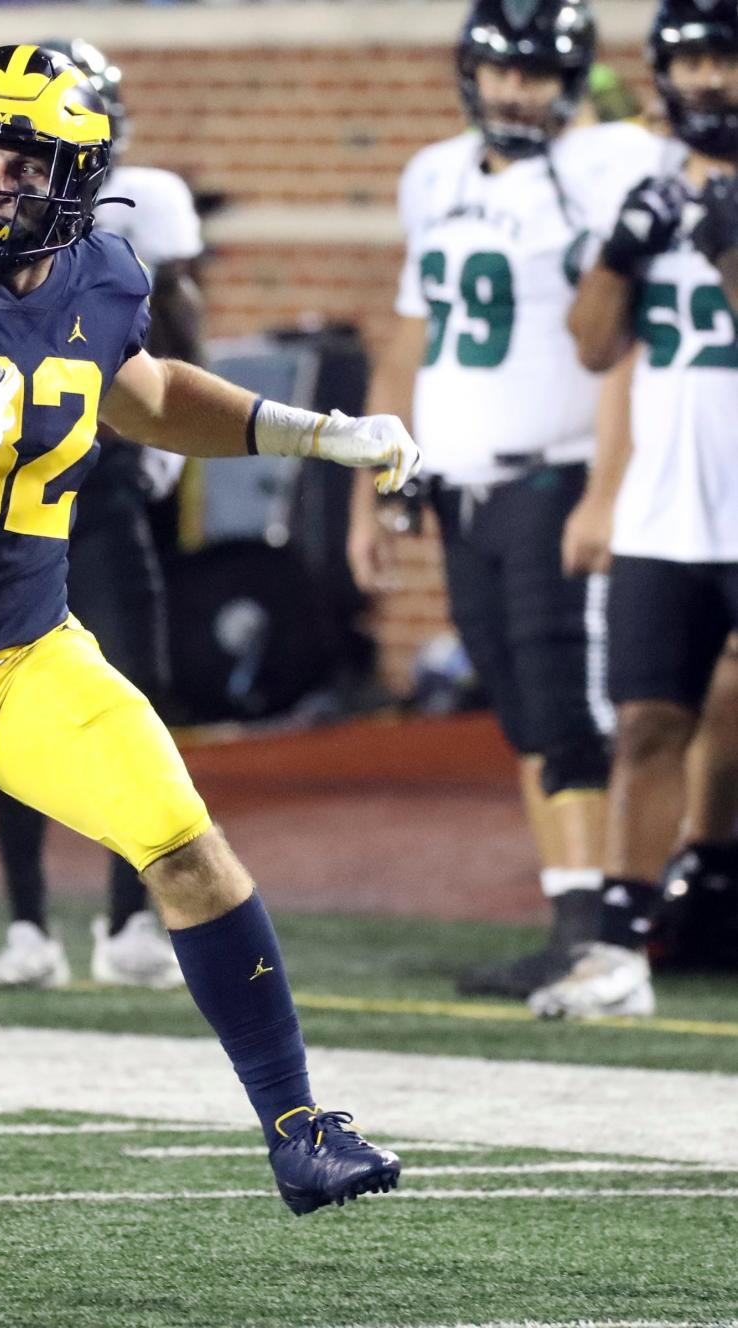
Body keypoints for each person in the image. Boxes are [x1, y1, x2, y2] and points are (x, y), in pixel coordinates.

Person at [0, 44, 417, 1275]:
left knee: (186, 842)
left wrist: (310, 432)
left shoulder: (104, 269)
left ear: (81, 177)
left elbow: (140, 389)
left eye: (21, 161)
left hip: (33, 656)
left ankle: (300, 1125)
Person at [347, 0, 660, 1003]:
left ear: (573, 82)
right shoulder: (434, 175)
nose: (515, 90)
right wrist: (374, 480)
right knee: (524, 714)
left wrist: (606, 487)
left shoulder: (606, 164)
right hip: (459, 486)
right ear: (469, 72)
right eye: (500, 70)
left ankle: (603, 928)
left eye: (536, 72)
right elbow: (409, 342)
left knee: (571, 710)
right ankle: (571, 919)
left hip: (553, 470)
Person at [0, 37, 207, 991]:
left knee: (132, 688)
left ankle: (128, 918)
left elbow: (180, 333)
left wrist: (163, 440)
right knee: (1, 693)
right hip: (10, 484)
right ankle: (28, 923)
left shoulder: (146, 209)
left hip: (102, 480)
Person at [536, 0, 738, 1017]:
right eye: (692, 58)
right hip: (670, 508)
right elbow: (592, 345)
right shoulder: (642, 176)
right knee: (649, 722)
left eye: (724, 57)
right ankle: (618, 949)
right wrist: (622, 250)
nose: (707, 78)